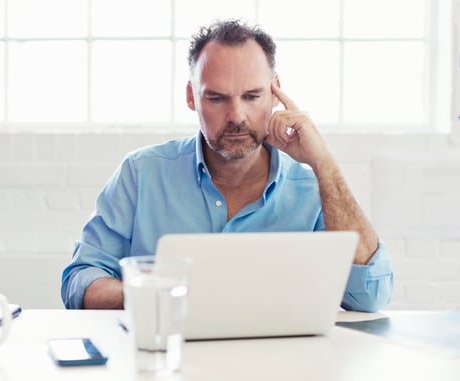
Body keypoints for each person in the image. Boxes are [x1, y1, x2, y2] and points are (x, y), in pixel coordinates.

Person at [61, 19, 393, 312]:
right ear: (192, 96)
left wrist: (325, 164)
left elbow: (370, 296)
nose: (236, 116)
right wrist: (157, 297)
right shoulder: (141, 173)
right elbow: (81, 279)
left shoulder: (312, 190)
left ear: (275, 94)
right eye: (217, 98)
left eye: (252, 96)